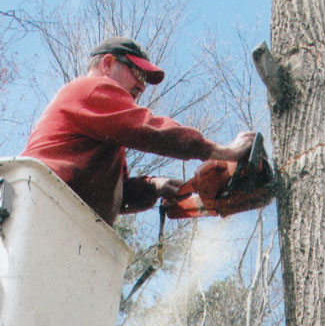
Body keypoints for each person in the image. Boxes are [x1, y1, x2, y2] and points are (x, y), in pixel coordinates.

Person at [22, 37, 255, 226]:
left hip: (59, 215)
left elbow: (120, 196)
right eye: (138, 73)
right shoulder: (90, 89)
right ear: (108, 63)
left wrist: (153, 186)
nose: (142, 85)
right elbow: (150, 130)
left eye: (146, 80)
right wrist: (224, 152)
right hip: (42, 204)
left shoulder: (103, 130)